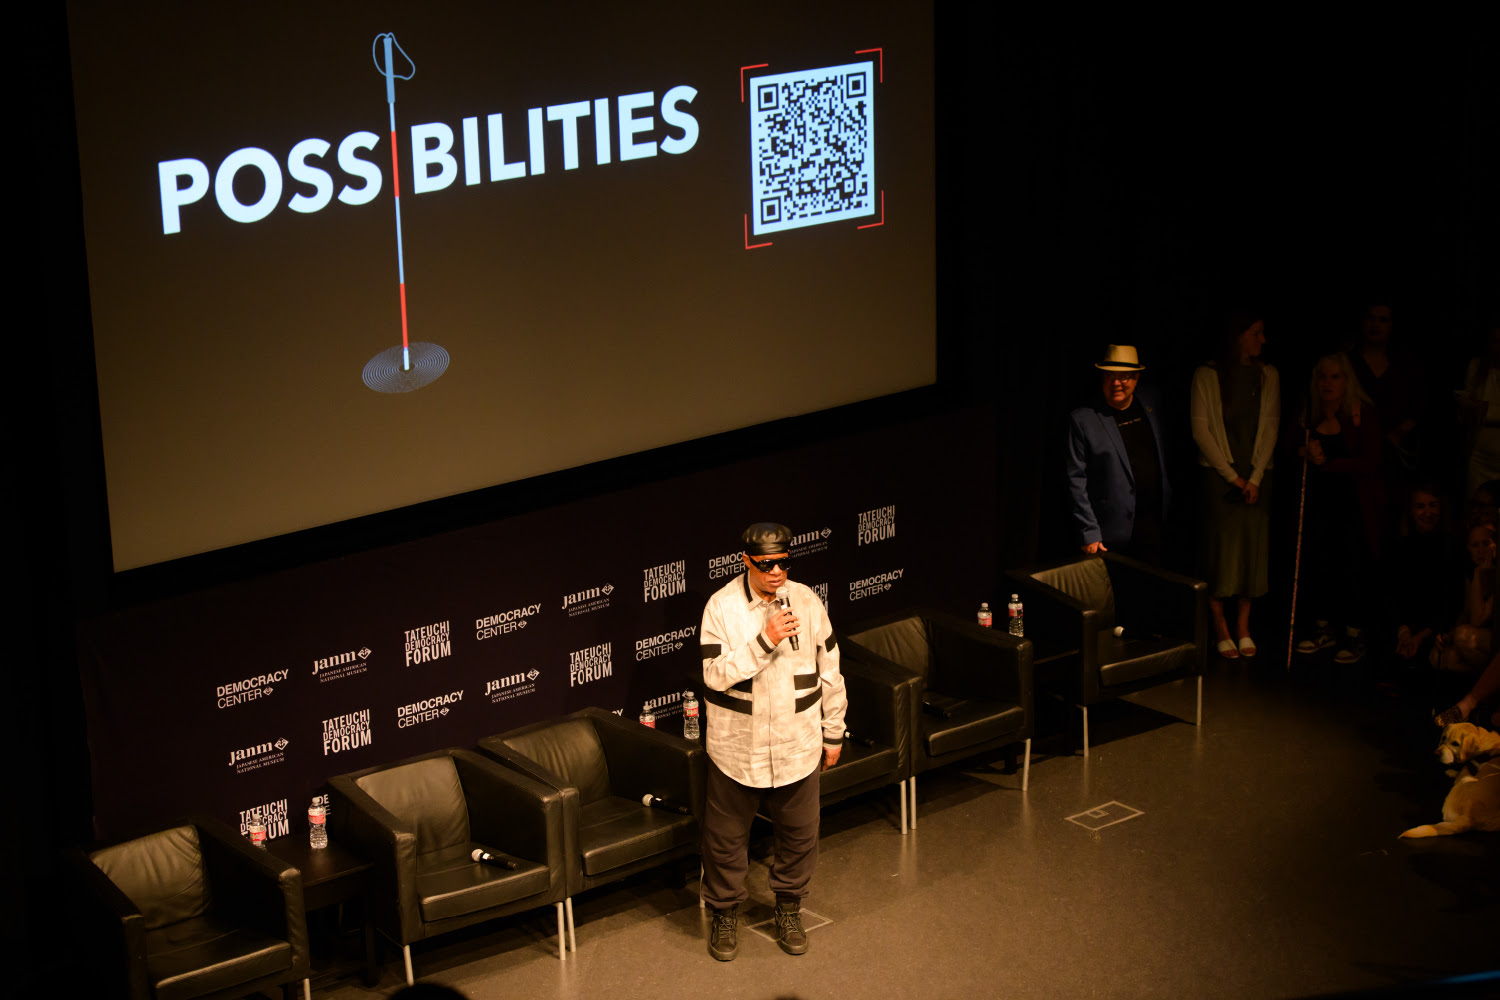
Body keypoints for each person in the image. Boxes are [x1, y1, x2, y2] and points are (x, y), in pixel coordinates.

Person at [698, 522, 847, 962]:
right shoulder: (721, 607)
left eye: (783, 562)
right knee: (725, 840)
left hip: (796, 744)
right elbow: (714, 676)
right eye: (766, 565)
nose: (777, 572)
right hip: (736, 750)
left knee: (801, 835)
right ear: (746, 561)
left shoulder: (807, 600)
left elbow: (829, 671)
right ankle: (725, 913)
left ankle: (788, 908)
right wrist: (766, 640)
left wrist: (833, 730)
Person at [1190, 314, 1280, 658]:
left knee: (1250, 554)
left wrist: (1254, 478)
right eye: (1256, 333)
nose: (1262, 340)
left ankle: (1243, 625)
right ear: (1238, 336)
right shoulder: (1208, 374)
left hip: (1257, 476)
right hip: (1220, 477)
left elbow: (1271, 426)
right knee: (1221, 553)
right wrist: (1234, 478)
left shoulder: (1268, 375)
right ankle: (1219, 624)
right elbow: (1202, 431)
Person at [1291, 352, 1385, 664]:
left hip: (1354, 506)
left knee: (1351, 569)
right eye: (1323, 377)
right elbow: (1289, 446)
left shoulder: (1361, 413)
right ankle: (1324, 629)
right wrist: (1304, 451)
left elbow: (1371, 461)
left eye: (1335, 377)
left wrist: (1328, 464)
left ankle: (1355, 635)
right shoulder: (1310, 413)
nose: (1327, 383)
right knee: (1320, 565)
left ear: (1347, 381)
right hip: (1320, 504)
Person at [1065, 344, 1172, 563]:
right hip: (1109, 535)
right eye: (1109, 376)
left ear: (1136, 377)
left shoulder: (1151, 402)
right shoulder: (1083, 419)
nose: (1116, 383)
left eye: (1124, 377)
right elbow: (1075, 479)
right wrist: (1089, 532)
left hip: (1154, 527)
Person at [1384, 483, 1464, 666]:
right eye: (1421, 506)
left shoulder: (1452, 547)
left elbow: (1453, 600)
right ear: (1411, 511)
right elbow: (1388, 592)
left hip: (1436, 627)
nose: (1428, 512)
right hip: (1400, 625)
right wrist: (1403, 630)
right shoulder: (1397, 545)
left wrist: (1422, 635)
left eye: (1433, 505)